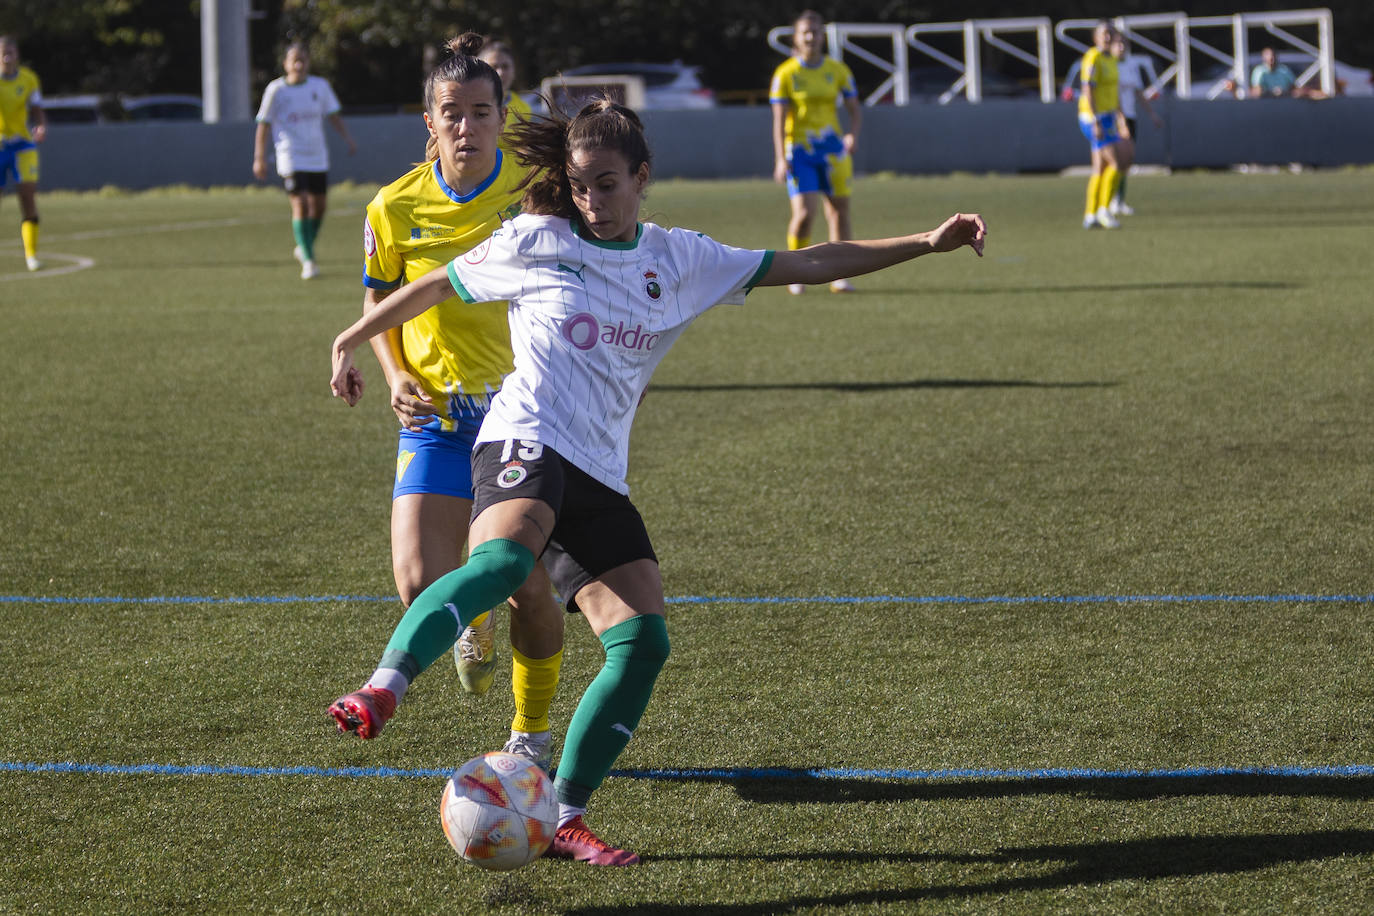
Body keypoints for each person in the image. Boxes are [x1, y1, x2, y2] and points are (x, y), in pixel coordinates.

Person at [326, 97, 987, 865]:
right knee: (505, 566)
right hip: (526, 437)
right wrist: (352, 337)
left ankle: (564, 814)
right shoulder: (538, 239)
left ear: (642, 178)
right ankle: (384, 687)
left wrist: (925, 243)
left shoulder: (681, 259)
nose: (592, 202)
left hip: (599, 469)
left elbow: (808, 261)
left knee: (642, 643)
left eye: (607, 185)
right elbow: (437, 284)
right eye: (579, 186)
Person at [349, 33, 565, 769]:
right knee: (417, 581)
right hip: (437, 414)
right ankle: (466, 620)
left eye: (481, 111)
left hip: (519, 416)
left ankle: (530, 731)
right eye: (452, 113)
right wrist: (392, 372)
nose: (467, 127)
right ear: (429, 121)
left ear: (503, 115)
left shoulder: (537, 189)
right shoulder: (394, 206)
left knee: (527, 588)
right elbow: (379, 297)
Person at [770, 10, 863, 295]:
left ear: (823, 36)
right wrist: (779, 157)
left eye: (816, 31)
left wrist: (852, 135)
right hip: (799, 151)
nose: (811, 36)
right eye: (805, 32)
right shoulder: (786, 73)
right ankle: (796, 272)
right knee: (805, 214)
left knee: (839, 212)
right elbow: (778, 118)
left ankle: (840, 275)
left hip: (833, 151)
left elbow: (854, 109)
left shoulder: (837, 70)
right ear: (797, 38)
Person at [253, 42, 356, 279]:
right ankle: (309, 260)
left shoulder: (320, 86)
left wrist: (348, 139)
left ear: (308, 63)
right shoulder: (276, 90)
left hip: (317, 155)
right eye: (294, 60)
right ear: (285, 64)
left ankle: (304, 246)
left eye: (303, 60)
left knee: (319, 206)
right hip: (290, 155)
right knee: (300, 204)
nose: (299, 64)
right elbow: (263, 125)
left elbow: (333, 116)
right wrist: (259, 158)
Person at [0, 36, 46, 272]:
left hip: (22, 146)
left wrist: (40, 125)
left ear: (17, 54)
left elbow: (37, 109)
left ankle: (31, 256)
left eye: (11, 51)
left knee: (27, 197)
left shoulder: (28, 79)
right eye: (3, 52)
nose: (7, 55)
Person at [1109, 33, 1162, 217]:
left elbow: (1138, 92)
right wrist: (1120, 117)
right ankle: (1109, 200)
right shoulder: (1109, 66)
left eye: (1124, 44)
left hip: (1130, 117)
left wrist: (1152, 114)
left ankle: (1119, 201)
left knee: (1127, 161)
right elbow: (1113, 95)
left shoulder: (1132, 65)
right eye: (1118, 44)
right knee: (1116, 160)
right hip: (1115, 118)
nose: (1121, 48)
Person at [1078, 21, 1124, 230]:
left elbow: (1114, 93)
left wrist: (1119, 118)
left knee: (1100, 168)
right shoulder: (1093, 57)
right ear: (1095, 37)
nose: (1107, 37)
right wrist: (1096, 120)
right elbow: (1088, 89)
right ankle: (1104, 211)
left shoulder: (1111, 59)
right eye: (1104, 33)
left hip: (1107, 117)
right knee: (1116, 163)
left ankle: (1090, 215)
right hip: (1093, 118)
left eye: (1110, 33)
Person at [477, 40, 532, 143]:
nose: (500, 73)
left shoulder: (524, 108)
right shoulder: (470, 103)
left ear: (514, 71)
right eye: (494, 66)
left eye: (505, 67)